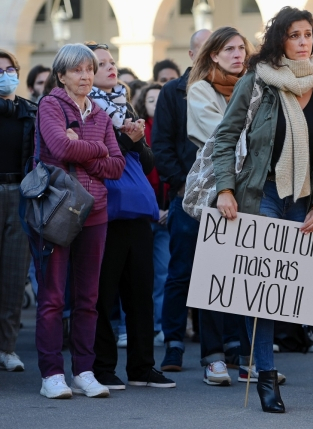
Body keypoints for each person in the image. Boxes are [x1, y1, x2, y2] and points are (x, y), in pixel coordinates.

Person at [213, 6, 313, 413]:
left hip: (307, 199)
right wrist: (225, 188)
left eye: (308, 34)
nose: (303, 41)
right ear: (280, 40)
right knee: (263, 292)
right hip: (263, 194)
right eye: (294, 35)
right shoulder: (258, 82)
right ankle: (267, 381)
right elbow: (226, 138)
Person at [33, 43, 125, 398]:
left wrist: (86, 148)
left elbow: (115, 167)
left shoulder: (100, 114)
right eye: (77, 70)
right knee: (53, 296)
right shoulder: (50, 105)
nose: (86, 76)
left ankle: (83, 371)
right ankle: (51, 374)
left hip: (95, 212)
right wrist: (98, 148)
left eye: (89, 69)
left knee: (88, 297)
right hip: (57, 210)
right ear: (61, 76)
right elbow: (60, 148)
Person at [84, 42, 175, 390]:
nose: (110, 68)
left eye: (111, 62)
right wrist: (125, 140)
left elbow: (149, 164)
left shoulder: (125, 103)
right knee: (104, 296)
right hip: (103, 212)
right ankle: (104, 367)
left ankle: (142, 366)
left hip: (137, 214)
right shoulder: (86, 108)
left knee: (140, 294)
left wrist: (136, 142)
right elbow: (94, 155)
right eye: (100, 63)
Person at [186, 26, 269, 386]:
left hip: (255, 191)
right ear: (213, 55)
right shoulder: (201, 90)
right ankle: (214, 358)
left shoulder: (257, 86)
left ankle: (250, 360)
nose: (238, 54)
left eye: (242, 48)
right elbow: (224, 135)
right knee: (214, 277)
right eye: (229, 49)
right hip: (219, 192)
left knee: (249, 277)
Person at [153, 28, 212, 372]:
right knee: (180, 274)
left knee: (219, 276)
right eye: (206, 49)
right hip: (185, 198)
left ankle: (223, 347)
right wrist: (182, 185)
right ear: (191, 55)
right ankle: (173, 344)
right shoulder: (173, 92)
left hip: (223, 200)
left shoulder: (233, 89)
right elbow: (161, 145)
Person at [0, 49, 36, 373]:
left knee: (14, 276)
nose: (5, 74)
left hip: (20, 194)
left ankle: (7, 348)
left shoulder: (30, 111)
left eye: (10, 69)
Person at [134, 83, 170, 346]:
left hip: (168, 212)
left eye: (160, 99)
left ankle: (160, 326)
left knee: (163, 274)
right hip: (143, 214)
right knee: (138, 276)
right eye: (150, 99)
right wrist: (152, 209)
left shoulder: (171, 129)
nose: (155, 104)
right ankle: (134, 327)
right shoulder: (137, 132)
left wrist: (168, 209)